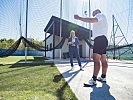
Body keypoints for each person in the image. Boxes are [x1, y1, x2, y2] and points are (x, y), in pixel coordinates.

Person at [74, 9, 108, 85]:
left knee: (96, 60)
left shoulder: (99, 15)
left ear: (96, 12)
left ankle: (93, 80)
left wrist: (80, 18)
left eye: (93, 13)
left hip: (99, 40)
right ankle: (103, 77)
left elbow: (93, 20)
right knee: (103, 60)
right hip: (104, 40)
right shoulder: (104, 18)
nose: (93, 15)